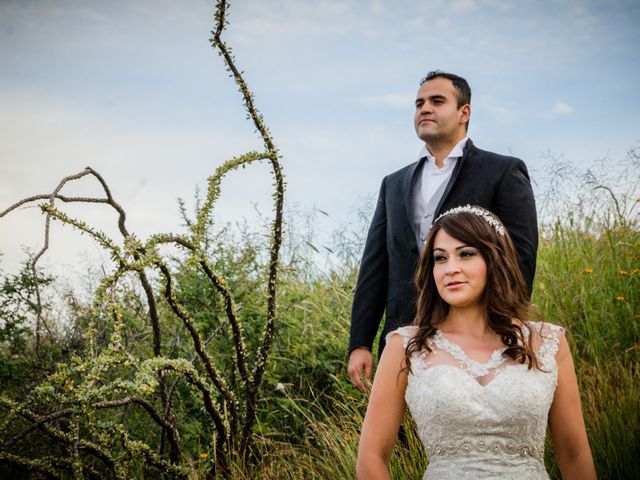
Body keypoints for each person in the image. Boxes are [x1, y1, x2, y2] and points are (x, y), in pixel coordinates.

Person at [356, 206, 596, 479]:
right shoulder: (405, 346)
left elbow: (574, 455)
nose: (450, 269)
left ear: (495, 259)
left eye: (466, 254)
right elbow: (370, 457)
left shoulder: (547, 342)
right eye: (440, 258)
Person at [348, 71, 538, 391]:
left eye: (437, 101)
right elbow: (375, 266)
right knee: (402, 438)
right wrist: (360, 342)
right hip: (403, 338)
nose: (425, 109)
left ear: (464, 113)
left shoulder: (502, 171)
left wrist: (505, 323)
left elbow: (521, 255)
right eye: (419, 103)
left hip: (478, 334)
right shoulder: (393, 184)